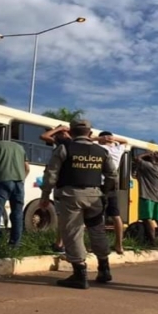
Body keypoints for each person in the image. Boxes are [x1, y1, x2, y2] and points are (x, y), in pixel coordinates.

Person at [39, 119, 118, 289]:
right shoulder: (102, 151)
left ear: (72, 133)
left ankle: (79, 274)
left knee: (73, 232)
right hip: (95, 196)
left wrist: (45, 195)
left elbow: (51, 173)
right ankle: (104, 269)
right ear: (90, 134)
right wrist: (104, 192)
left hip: (71, 196)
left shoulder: (64, 148)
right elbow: (112, 175)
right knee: (97, 231)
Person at [0, 136, 30, 249]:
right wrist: (21, 179)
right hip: (19, 183)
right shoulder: (20, 148)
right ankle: (15, 245)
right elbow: (27, 168)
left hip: (1, 181)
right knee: (17, 214)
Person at [93, 131, 128, 254]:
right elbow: (125, 141)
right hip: (113, 183)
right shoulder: (118, 149)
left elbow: (87, 139)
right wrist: (112, 138)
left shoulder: (99, 147)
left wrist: (100, 138)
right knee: (115, 215)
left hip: (100, 183)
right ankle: (119, 245)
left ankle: (98, 245)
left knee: (97, 214)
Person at [40, 125, 72, 254]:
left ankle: (61, 245)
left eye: (61, 133)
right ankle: (61, 244)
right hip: (72, 186)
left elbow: (44, 136)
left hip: (63, 186)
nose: (58, 135)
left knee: (63, 217)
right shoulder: (75, 145)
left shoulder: (66, 144)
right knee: (65, 218)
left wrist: (59, 129)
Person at [135, 151, 158, 247]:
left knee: (147, 219)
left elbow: (137, 158)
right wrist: (156, 157)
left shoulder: (149, 166)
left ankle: (152, 242)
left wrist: (146, 154)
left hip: (146, 196)